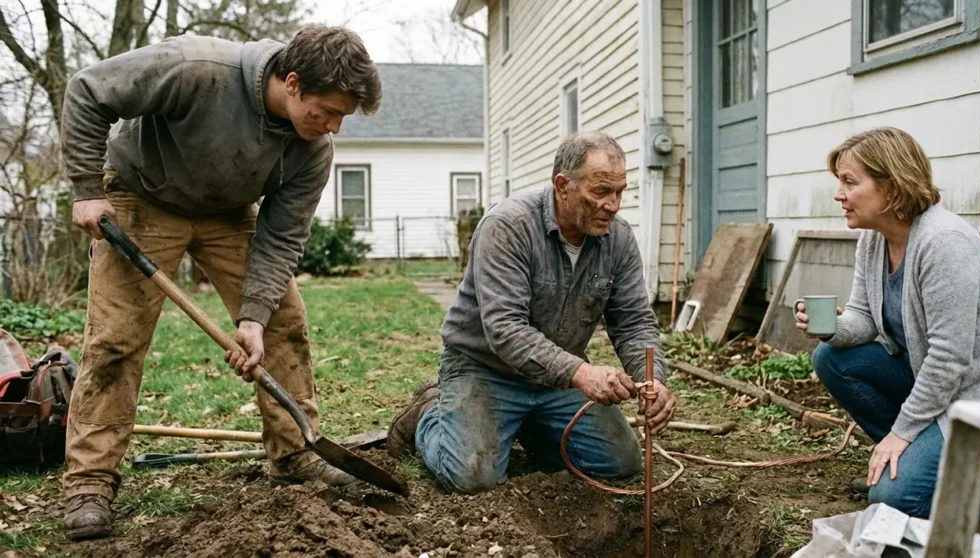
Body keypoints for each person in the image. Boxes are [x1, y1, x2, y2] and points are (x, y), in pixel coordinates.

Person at [59, 25, 381, 540]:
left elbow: (281, 237)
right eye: (328, 111)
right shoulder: (197, 68)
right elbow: (88, 89)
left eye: (342, 116)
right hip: (142, 195)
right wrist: (85, 188)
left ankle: (294, 454)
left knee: (283, 324)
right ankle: (90, 482)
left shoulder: (313, 148)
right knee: (115, 340)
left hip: (229, 213)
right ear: (293, 83)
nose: (334, 128)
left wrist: (253, 318)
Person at [386, 132, 677, 494]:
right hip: (486, 369)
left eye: (620, 192)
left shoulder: (618, 239)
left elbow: (634, 322)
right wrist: (581, 372)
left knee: (619, 462)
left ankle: (525, 424)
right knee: (472, 479)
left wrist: (653, 379)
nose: (613, 205)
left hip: (557, 381)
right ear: (563, 186)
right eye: (601, 191)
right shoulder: (508, 227)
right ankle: (429, 416)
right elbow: (505, 329)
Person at [796, 127, 980, 518]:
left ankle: (961, 472)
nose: (838, 194)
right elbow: (863, 318)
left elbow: (949, 358)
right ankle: (939, 469)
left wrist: (900, 433)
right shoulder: (874, 239)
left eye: (849, 182)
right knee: (831, 357)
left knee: (892, 500)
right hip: (935, 385)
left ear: (891, 186)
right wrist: (832, 328)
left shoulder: (943, 242)